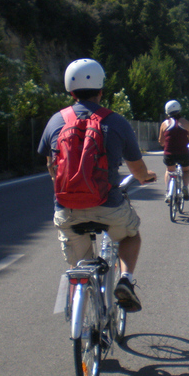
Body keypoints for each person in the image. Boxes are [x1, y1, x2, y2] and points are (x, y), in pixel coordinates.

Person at [38, 58, 157, 312]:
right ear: (101, 90)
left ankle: (83, 313)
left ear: (70, 91)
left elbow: (51, 167)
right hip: (108, 204)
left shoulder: (55, 121)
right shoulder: (116, 122)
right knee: (131, 236)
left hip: (67, 208)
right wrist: (146, 176)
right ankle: (125, 280)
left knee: (80, 264)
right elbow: (137, 169)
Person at [158, 100, 189, 201]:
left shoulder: (164, 124)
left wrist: (164, 144)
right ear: (179, 109)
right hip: (183, 153)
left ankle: (168, 192)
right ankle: (185, 187)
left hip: (169, 154)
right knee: (187, 170)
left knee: (169, 170)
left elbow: (161, 141)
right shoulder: (186, 123)